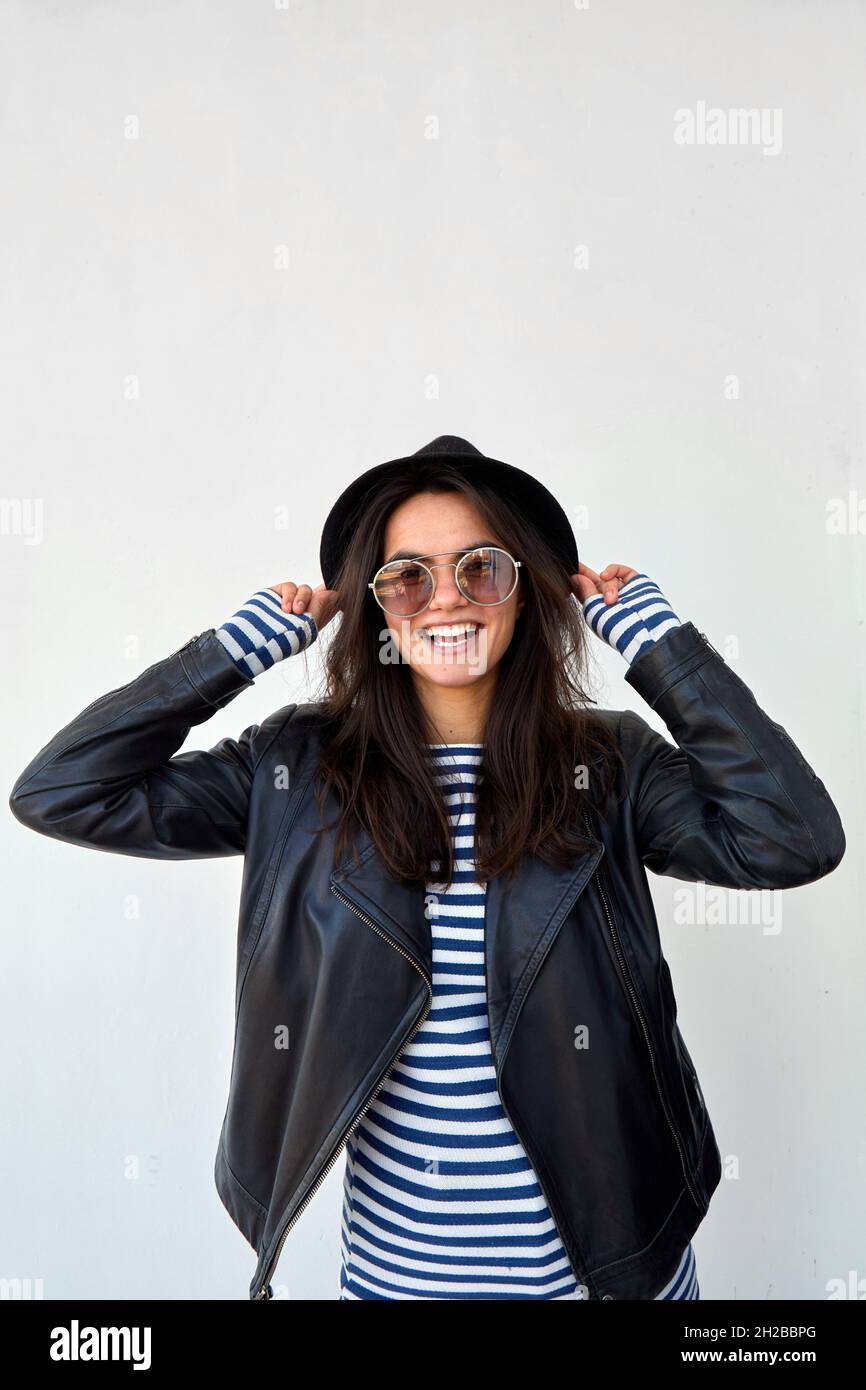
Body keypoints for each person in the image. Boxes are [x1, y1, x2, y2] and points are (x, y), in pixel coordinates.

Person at [9, 436, 846, 1301]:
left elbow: (792, 838)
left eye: (479, 568)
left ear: (525, 590)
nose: (446, 598)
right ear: (374, 608)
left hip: (611, 1279)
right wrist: (235, 648)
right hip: (397, 1280)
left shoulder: (611, 765)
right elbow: (64, 791)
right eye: (407, 576)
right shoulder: (295, 770)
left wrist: (665, 650)